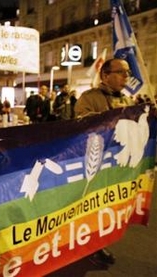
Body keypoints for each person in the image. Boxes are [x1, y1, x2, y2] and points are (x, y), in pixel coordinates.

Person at [75, 58, 134, 266]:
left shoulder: (127, 100)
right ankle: (89, 249)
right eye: (121, 72)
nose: (126, 77)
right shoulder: (89, 98)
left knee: (108, 209)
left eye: (127, 73)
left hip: (116, 166)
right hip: (95, 165)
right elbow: (82, 126)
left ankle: (99, 245)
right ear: (105, 75)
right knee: (92, 208)